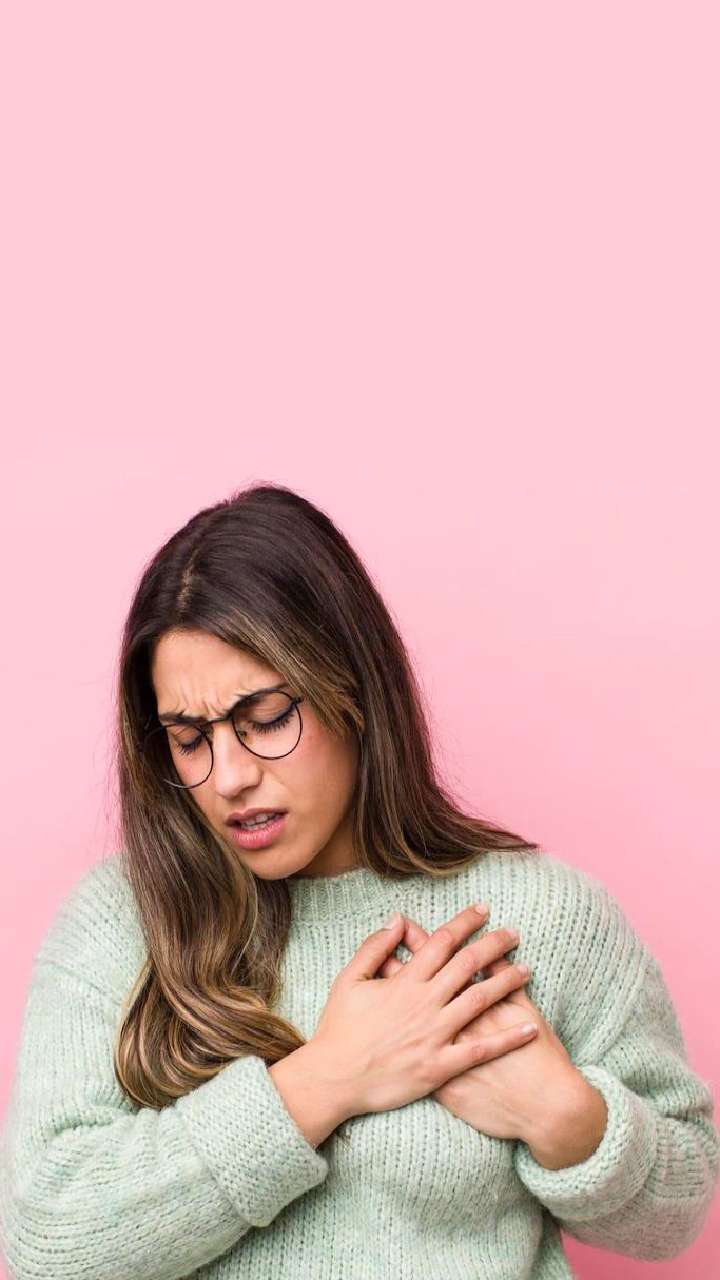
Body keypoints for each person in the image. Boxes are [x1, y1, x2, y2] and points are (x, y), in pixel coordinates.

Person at [1, 482, 717, 1280]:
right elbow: (44, 1242)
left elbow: (678, 1214)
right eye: (190, 738)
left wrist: (566, 1117)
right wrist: (327, 1081)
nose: (229, 776)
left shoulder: (542, 915)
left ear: (354, 689)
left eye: (266, 719)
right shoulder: (120, 922)